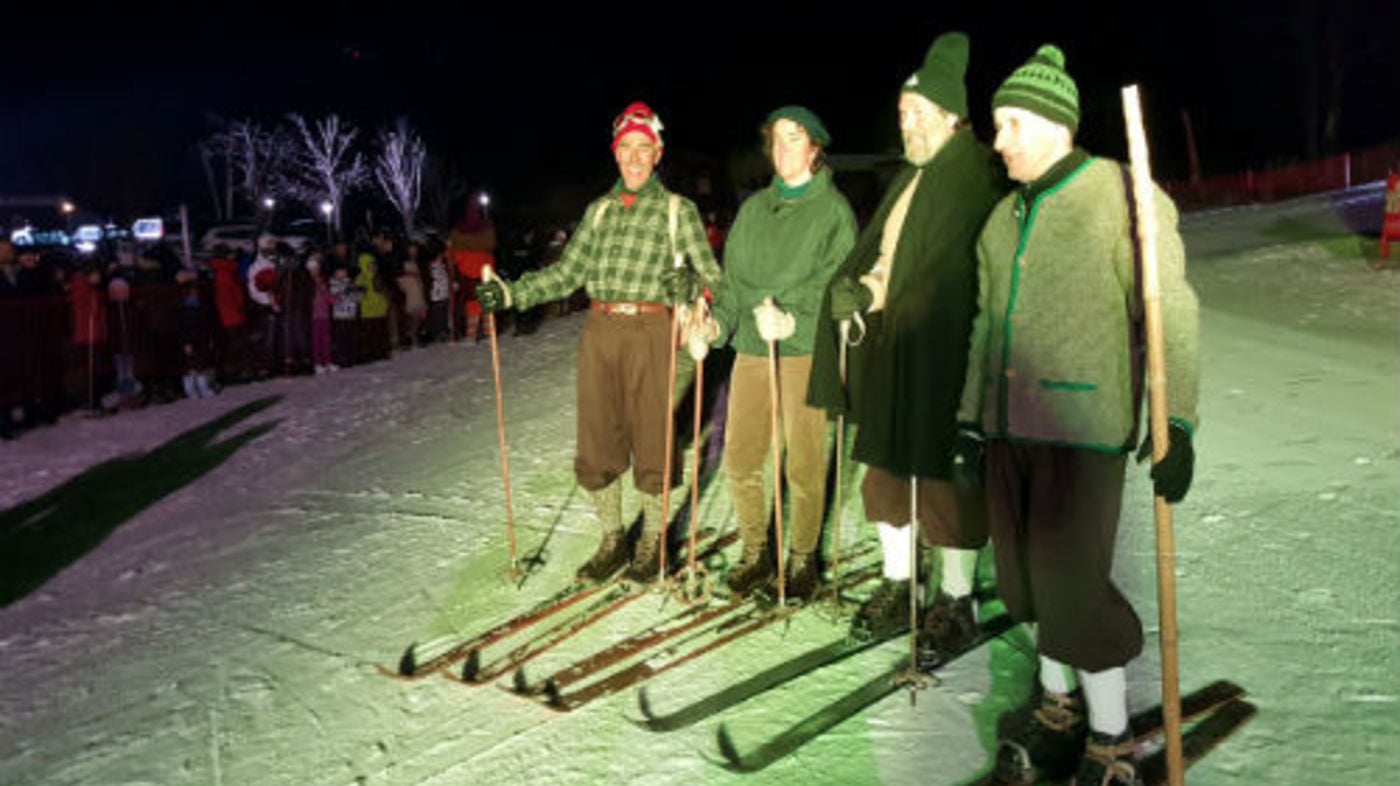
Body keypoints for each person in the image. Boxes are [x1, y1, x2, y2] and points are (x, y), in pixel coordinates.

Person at [954, 45, 1199, 786]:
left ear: (1057, 125)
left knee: (1071, 588)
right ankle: (1057, 704)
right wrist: (970, 420)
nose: (998, 142)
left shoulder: (1122, 199)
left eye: (1011, 124)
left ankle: (1113, 738)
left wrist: (1176, 421)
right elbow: (985, 324)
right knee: (1024, 585)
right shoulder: (1001, 219)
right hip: (1007, 430)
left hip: (1080, 433)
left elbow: (1173, 317)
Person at [807, 32, 1008, 649]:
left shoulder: (972, 175)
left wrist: (876, 293)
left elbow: (943, 273)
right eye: (901, 114)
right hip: (895, 348)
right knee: (888, 470)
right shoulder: (911, 178)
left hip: (948, 354)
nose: (908, 124)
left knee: (945, 479)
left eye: (918, 113)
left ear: (951, 115)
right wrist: (857, 286)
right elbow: (890, 260)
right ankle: (899, 584)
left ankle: (956, 598)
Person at [476, 101, 721, 584]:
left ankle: (652, 539)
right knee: (597, 441)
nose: (633, 156)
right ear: (616, 154)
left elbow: (713, 276)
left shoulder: (678, 211)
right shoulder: (599, 212)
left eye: (642, 147)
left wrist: (692, 286)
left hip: (653, 331)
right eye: (625, 147)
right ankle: (612, 538)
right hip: (601, 332)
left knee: (654, 441)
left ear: (657, 153)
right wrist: (511, 292)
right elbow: (567, 273)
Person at [705, 106, 856, 600]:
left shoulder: (832, 211)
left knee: (804, 462)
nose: (783, 148)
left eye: (795, 139)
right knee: (741, 457)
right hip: (752, 347)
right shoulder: (752, 211)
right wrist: (715, 324)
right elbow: (732, 286)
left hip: (803, 350)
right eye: (776, 139)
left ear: (815, 148)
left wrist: (793, 318)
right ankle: (755, 552)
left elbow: (837, 284)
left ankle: (803, 559)